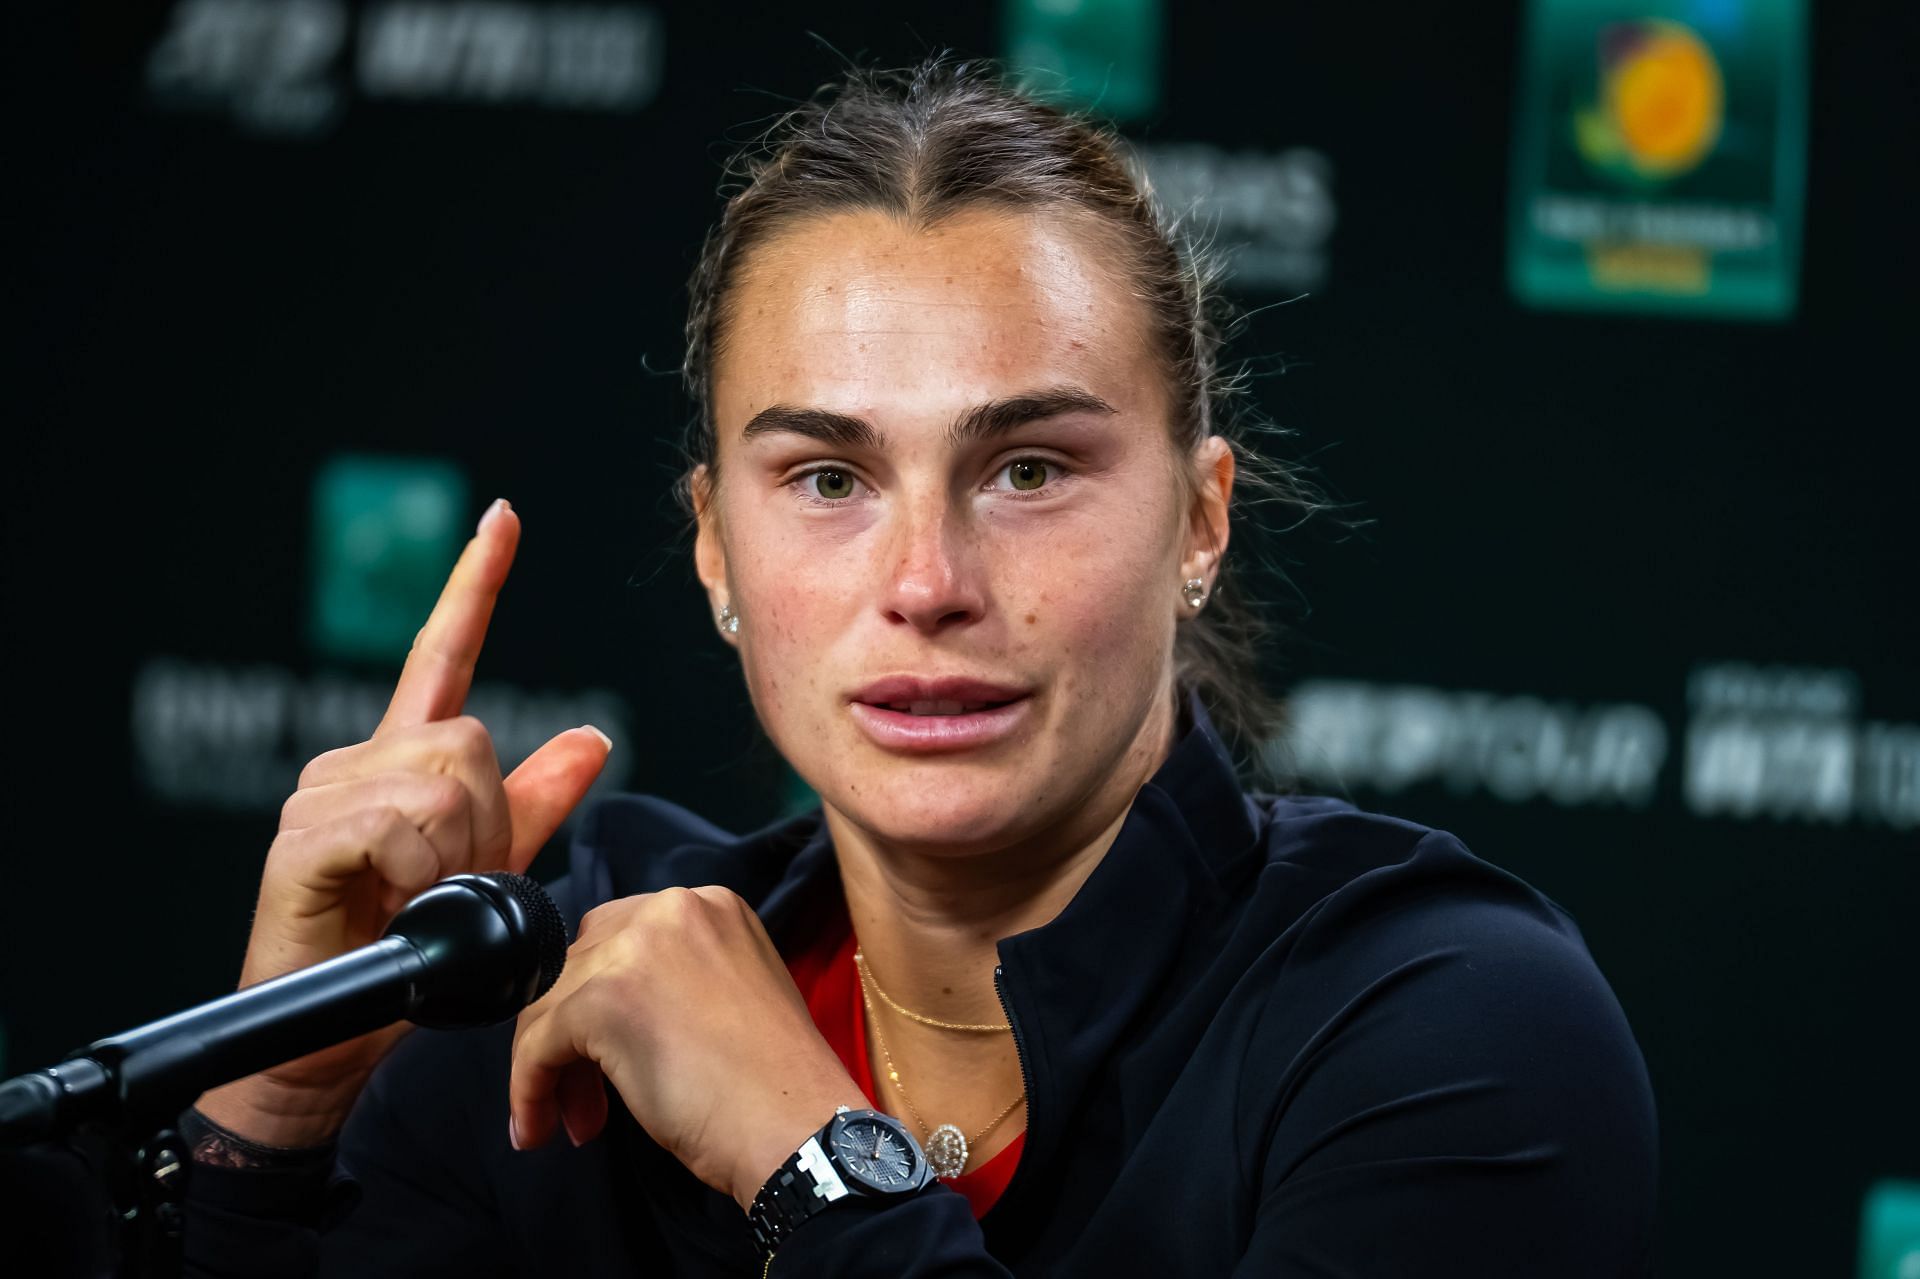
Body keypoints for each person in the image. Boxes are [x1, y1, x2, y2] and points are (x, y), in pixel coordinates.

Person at [178, 56, 1657, 1276]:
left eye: (1027, 468)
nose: (928, 585)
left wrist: (811, 1163)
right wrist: (276, 1106)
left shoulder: (1447, 1019)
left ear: (1201, 518)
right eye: (829, 479)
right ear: (714, 552)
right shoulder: (558, 974)